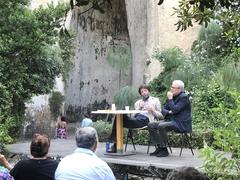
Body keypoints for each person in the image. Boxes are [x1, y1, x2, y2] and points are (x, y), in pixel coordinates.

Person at [108, 85, 163, 152]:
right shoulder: (138, 103)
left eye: (145, 90)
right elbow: (133, 115)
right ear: (140, 94)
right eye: (142, 91)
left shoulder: (155, 100)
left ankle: (114, 144)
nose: (144, 93)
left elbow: (160, 116)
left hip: (146, 119)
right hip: (137, 119)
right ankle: (116, 143)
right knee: (119, 117)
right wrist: (139, 107)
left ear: (149, 91)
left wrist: (153, 110)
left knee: (119, 120)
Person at [148, 80, 192, 157]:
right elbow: (163, 109)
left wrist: (170, 100)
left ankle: (164, 150)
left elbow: (175, 110)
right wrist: (169, 112)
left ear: (179, 89)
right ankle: (159, 147)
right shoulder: (171, 96)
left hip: (180, 123)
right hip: (171, 120)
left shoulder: (184, 97)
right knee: (151, 125)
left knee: (162, 126)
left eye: (173, 87)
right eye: (171, 87)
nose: (171, 89)